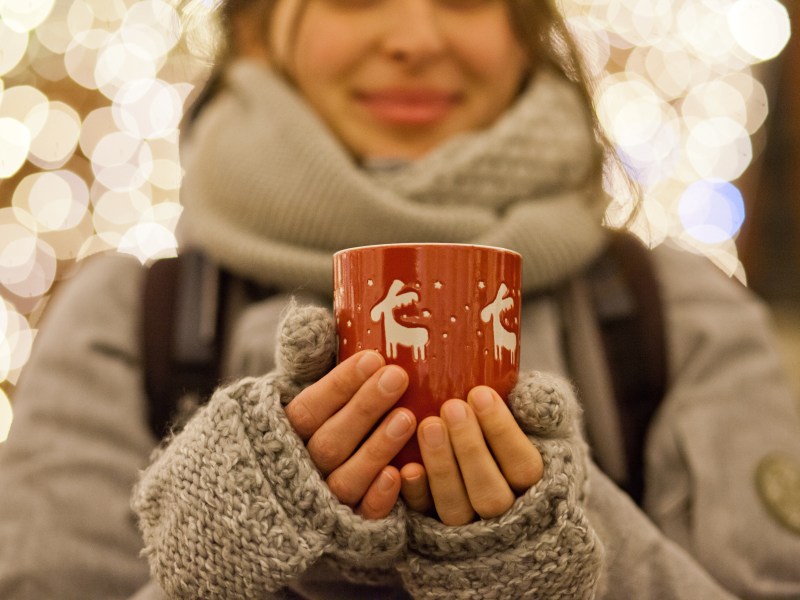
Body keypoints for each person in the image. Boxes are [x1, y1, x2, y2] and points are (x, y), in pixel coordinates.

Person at [1, 0, 799, 598]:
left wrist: (574, 559)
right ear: (258, 29)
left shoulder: (680, 311)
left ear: (524, 28)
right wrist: (218, 560)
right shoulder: (129, 317)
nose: (415, 38)